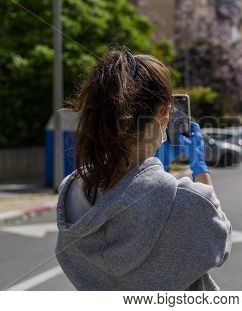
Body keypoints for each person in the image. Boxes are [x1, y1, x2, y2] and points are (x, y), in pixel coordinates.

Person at [55, 48, 232, 290]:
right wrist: (200, 168)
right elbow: (220, 239)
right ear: (162, 114)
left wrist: (152, 167)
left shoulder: (72, 195)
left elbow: (131, 193)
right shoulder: (186, 200)